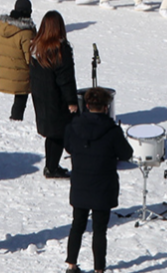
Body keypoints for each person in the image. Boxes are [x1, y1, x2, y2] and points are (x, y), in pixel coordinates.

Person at [64, 87, 132, 273]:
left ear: (86, 105)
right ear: (105, 107)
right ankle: (99, 269)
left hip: (80, 184)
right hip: (103, 185)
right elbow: (126, 153)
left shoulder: (73, 126)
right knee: (99, 230)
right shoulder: (112, 131)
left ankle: (71, 264)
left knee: (77, 225)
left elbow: (69, 147)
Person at [30, 10, 79, 178]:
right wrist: (72, 101)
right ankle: (53, 167)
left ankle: (51, 166)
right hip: (56, 98)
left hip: (41, 97)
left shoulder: (36, 47)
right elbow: (65, 79)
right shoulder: (60, 49)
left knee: (52, 134)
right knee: (59, 133)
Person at [0, 0, 36, 121]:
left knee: (19, 98)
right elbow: (31, 57)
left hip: (6, 71)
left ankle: (15, 118)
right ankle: (17, 119)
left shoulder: (2, 28)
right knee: (23, 98)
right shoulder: (26, 32)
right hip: (23, 73)